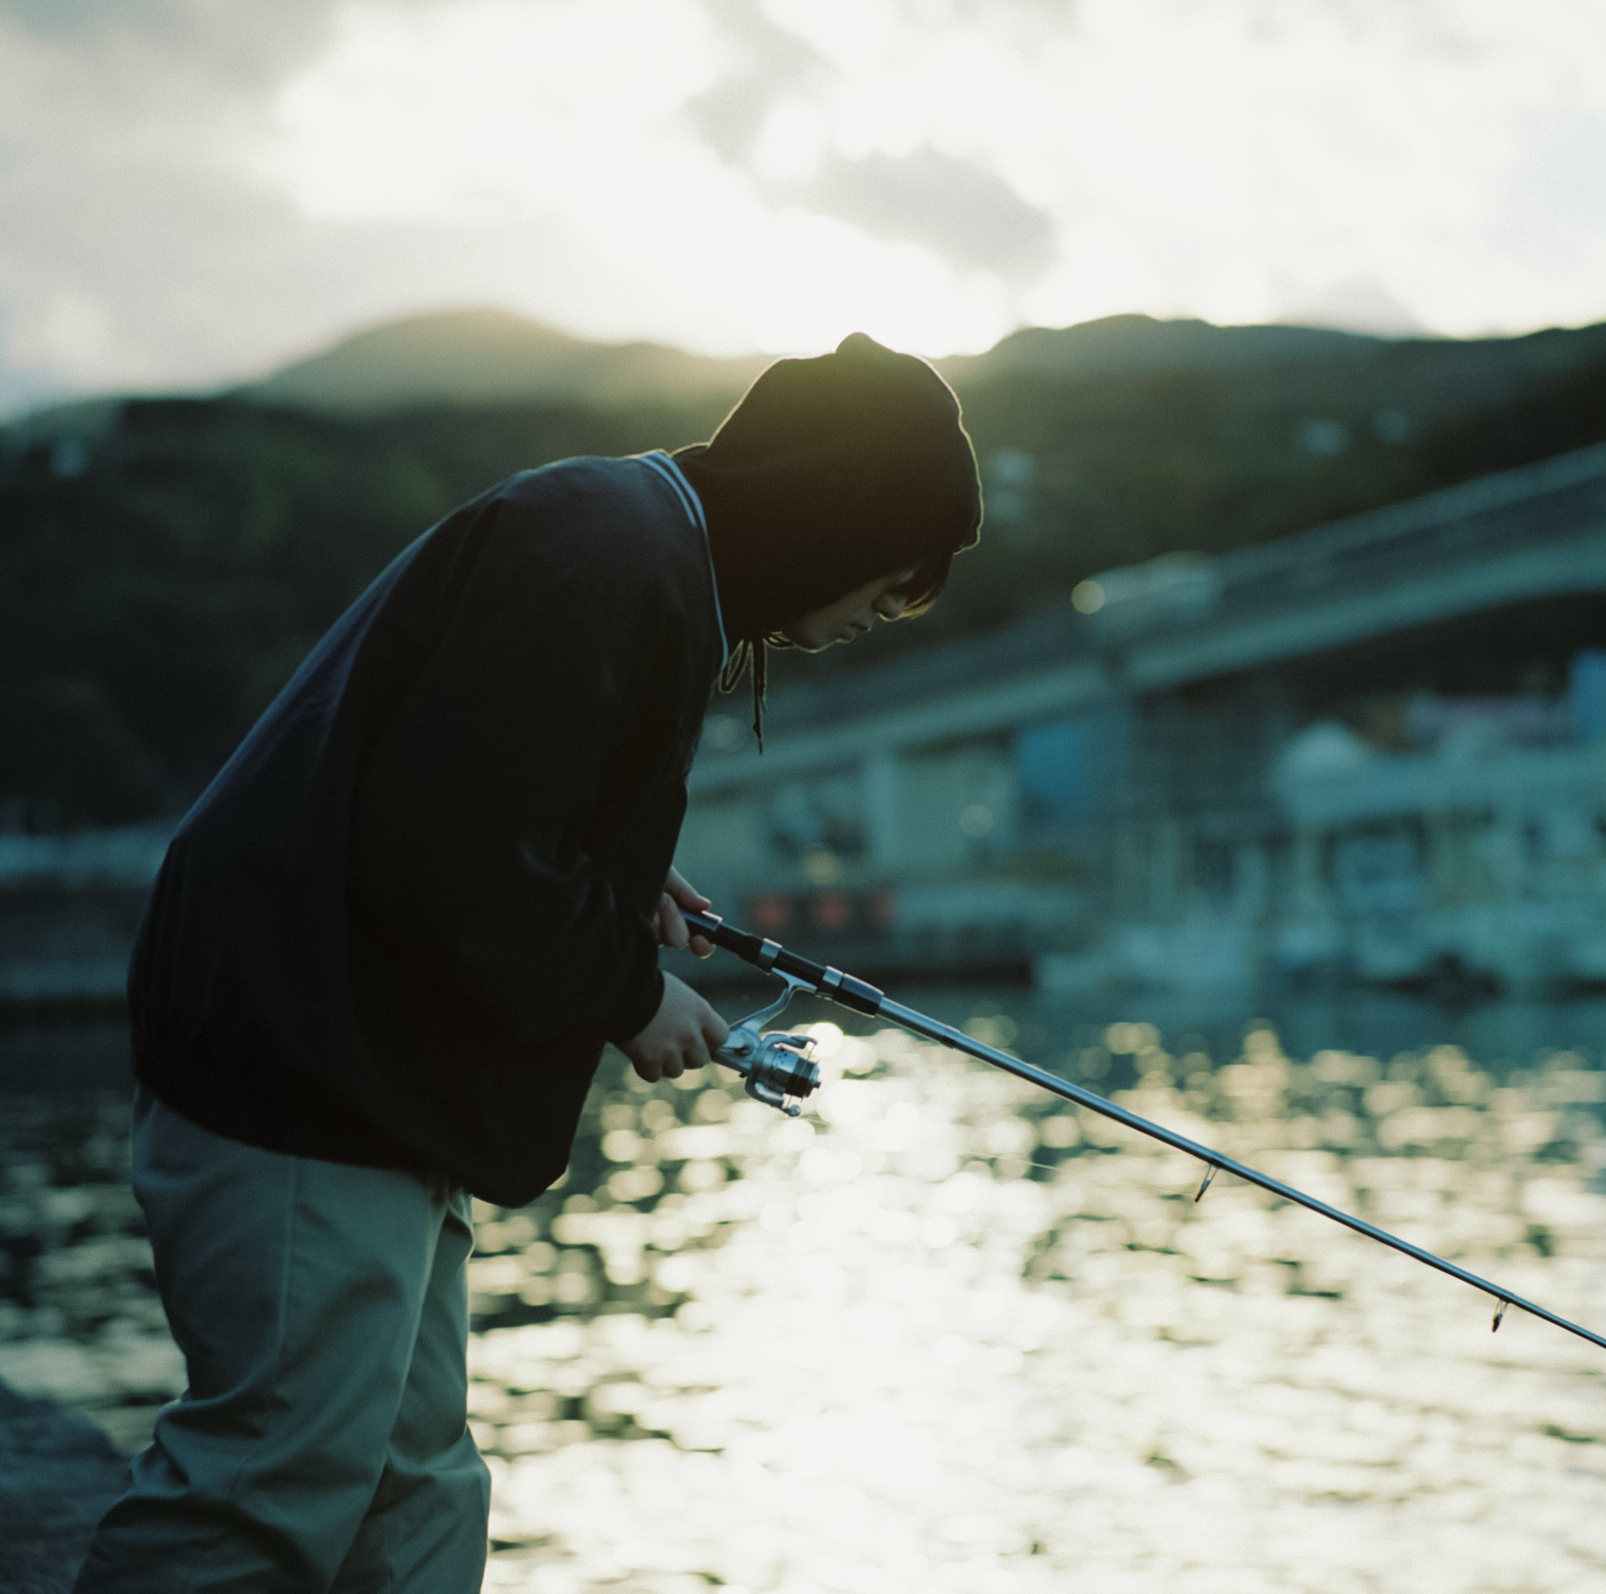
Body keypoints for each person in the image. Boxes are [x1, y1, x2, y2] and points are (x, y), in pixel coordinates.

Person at [72, 332, 983, 1591]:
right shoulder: (607, 553)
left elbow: (477, 785)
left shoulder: (631, 537)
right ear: (839, 514)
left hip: (362, 1076)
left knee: (416, 1495)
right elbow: (443, 841)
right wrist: (625, 992)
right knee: (268, 1488)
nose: (889, 606)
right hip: (302, 1070)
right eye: (897, 571)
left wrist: (603, 859)